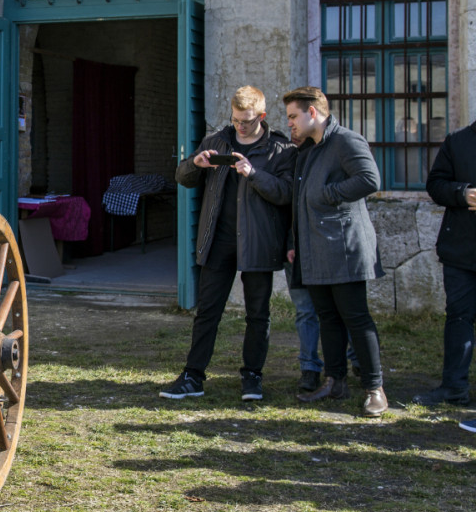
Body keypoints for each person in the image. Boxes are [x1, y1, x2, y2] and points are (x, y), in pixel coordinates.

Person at [160, 86, 296, 401]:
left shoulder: (280, 150)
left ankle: (252, 378)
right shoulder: (216, 141)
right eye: (236, 120)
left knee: (258, 314)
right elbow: (182, 176)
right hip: (218, 240)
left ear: (262, 116)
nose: (241, 126)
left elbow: (286, 193)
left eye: (247, 121)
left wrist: (254, 173)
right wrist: (198, 163)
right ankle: (193, 377)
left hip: (259, 242)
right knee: (208, 311)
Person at [285, 86, 387, 417]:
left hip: (344, 248)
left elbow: (370, 179)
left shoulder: (345, 140)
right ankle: (335, 382)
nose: (290, 125)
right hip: (314, 250)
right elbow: (300, 200)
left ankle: (375, 388)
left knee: (355, 318)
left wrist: (328, 193)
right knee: (328, 318)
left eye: (293, 117)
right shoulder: (310, 150)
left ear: (312, 112)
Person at [413, 119, 476, 407]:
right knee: (459, 318)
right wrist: (462, 194)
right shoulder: (458, 140)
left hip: (460, 247)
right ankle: (454, 386)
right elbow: (436, 185)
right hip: (461, 249)